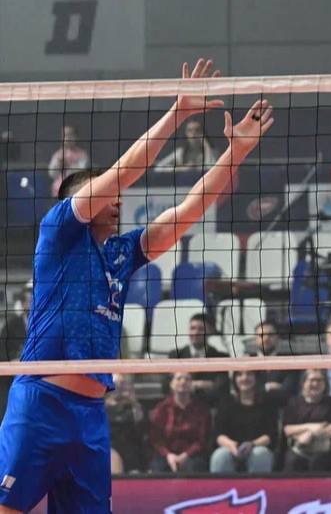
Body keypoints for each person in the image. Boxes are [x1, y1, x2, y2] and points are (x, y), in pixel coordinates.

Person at [0, 58, 274, 514]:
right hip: (42, 403)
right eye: (106, 192)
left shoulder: (120, 253)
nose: (118, 198)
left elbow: (188, 210)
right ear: (79, 199)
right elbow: (125, 171)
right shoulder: (59, 231)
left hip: (90, 415)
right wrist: (178, 112)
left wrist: (236, 152)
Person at [210, 371, 276, 474]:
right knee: (220, 456)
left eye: (249, 374)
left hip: (257, 447)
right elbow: (219, 434)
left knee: (260, 454)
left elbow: (270, 435)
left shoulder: (267, 403)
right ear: (235, 379)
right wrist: (231, 445)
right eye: (239, 375)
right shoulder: (226, 402)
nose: (244, 378)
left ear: (256, 378)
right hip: (231, 448)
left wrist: (252, 444)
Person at [282, 369, 331, 472]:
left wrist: (310, 434)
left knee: (317, 462)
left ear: (325, 384)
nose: (315, 384)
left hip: (326, 449)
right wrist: (310, 427)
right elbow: (288, 429)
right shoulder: (294, 403)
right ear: (304, 383)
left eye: (319, 380)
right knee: (293, 461)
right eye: (311, 380)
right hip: (299, 446)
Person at [149, 372, 212, 474]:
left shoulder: (201, 409)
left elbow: (202, 440)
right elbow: (156, 439)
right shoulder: (161, 409)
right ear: (171, 384)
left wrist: (185, 455)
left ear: (192, 384)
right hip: (166, 455)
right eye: (178, 379)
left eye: (187, 379)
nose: (183, 382)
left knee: (194, 468)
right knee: (158, 470)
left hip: (193, 456)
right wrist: (168, 455)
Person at [167, 313, 229, 403]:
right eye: (192, 328)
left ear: (210, 331)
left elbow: (221, 389)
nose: (195, 333)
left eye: (201, 329)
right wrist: (201, 385)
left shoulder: (221, 358)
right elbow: (166, 387)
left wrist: (183, 385)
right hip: (181, 405)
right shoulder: (175, 356)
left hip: (209, 406)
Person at [247, 319, 299, 405]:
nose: (266, 338)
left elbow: (289, 390)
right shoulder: (247, 362)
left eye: (270, 335)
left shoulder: (289, 361)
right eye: (261, 335)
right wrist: (268, 387)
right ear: (255, 339)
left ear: (278, 338)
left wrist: (261, 388)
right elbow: (247, 390)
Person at [105, 373, 147, 475]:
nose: (118, 388)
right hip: (110, 446)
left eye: (122, 384)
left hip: (130, 447)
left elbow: (141, 422)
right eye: (116, 384)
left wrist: (133, 402)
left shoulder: (133, 406)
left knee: (135, 473)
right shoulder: (101, 406)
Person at [47, 124, 89, 197]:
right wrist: (59, 165)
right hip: (59, 192)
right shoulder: (58, 155)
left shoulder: (82, 154)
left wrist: (68, 166)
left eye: (70, 135)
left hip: (77, 192)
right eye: (65, 135)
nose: (67, 138)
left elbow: (82, 172)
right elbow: (52, 173)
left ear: (76, 137)